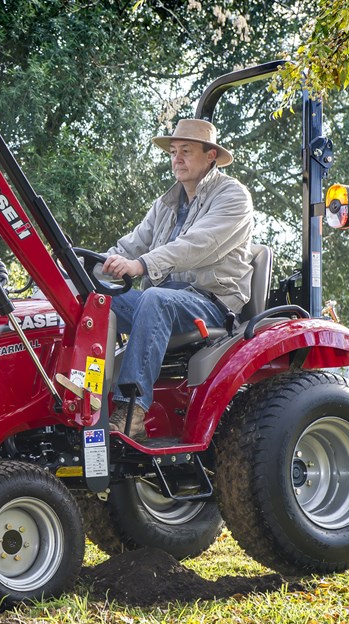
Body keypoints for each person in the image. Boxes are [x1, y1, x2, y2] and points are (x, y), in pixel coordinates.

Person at [101, 119, 254, 439]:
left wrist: (141, 265)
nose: (177, 159)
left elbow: (198, 244)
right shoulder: (166, 205)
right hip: (162, 302)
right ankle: (84, 397)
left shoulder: (233, 197)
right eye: (173, 152)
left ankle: (132, 411)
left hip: (209, 303)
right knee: (96, 294)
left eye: (186, 151)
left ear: (211, 155)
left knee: (156, 299)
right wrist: (74, 270)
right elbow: (129, 246)